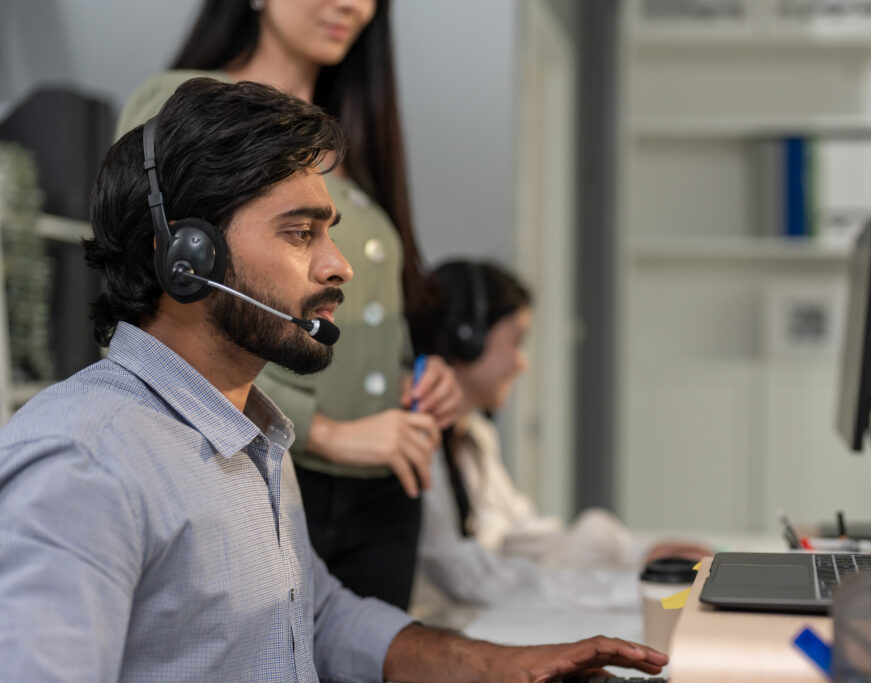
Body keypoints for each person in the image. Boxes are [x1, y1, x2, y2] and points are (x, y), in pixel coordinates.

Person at [0, 76, 668, 682]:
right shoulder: (84, 466)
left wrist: (500, 664)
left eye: (330, 232)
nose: (339, 266)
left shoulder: (253, 436)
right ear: (183, 259)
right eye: (300, 233)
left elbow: (314, 618)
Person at [116, 0, 459, 609]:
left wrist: (421, 373)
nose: (351, 6)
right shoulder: (184, 103)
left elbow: (368, 304)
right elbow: (152, 296)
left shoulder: (352, 135)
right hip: (270, 471)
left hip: (385, 493)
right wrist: (324, 432)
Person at [409, 260, 713, 614]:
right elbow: (473, 582)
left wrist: (643, 554)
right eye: (517, 341)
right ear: (467, 338)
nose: (522, 363)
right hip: (444, 634)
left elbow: (525, 539)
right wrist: (646, 590)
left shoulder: (475, 434)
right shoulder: (418, 440)